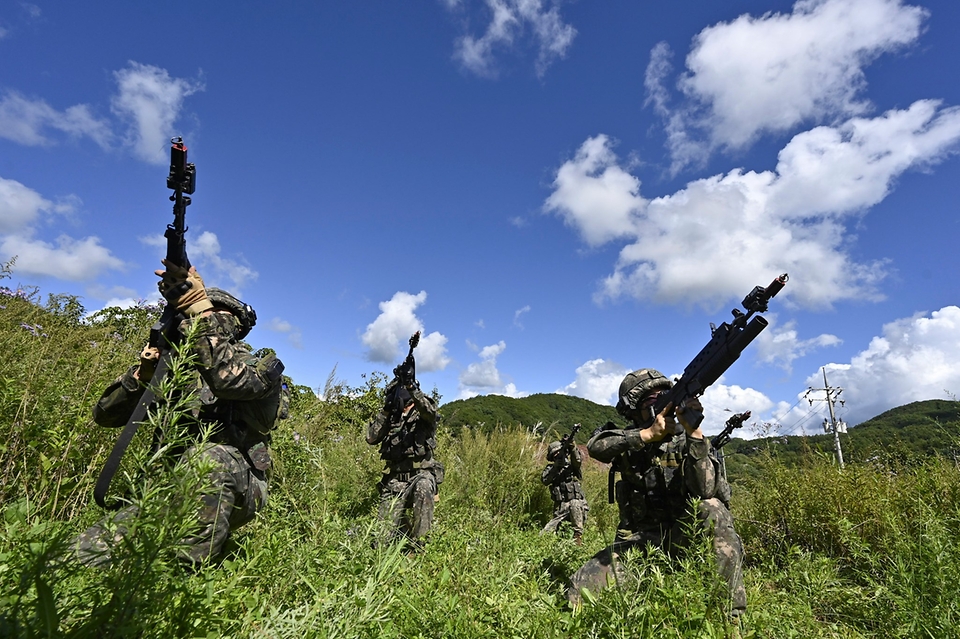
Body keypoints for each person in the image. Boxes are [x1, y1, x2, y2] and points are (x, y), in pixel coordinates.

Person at [75, 260, 285, 567]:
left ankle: (185, 573)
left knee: (209, 460)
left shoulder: (258, 369)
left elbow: (227, 379)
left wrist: (199, 308)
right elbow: (105, 416)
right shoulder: (174, 369)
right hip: (166, 491)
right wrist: (143, 376)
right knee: (80, 556)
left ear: (233, 326)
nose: (194, 320)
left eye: (211, 314)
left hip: (239, 487)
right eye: (189, 314)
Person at [567, 369, 746, 616]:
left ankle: (731, 617)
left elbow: (705, 488)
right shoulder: (630, 438)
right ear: (635, 410)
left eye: (665, 396)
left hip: (687, 540)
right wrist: (648, 435)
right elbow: (597, 447)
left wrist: (694, 434)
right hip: (641, 544)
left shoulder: (688, 440)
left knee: (711, 506)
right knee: (579, 593)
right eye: (652, 400)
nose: (663, 403)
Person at [365, 332, 443, 547]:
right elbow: (371, 438)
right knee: (380, 541)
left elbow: (431, 412)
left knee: (424, 489)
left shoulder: (422, 410)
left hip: (421, 476)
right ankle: (402, 529)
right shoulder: (391, 416)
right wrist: (386, 411)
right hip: (395, 480)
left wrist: (411, 388)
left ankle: (420, 545)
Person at [540, 436, 588, 544]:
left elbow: (577, 461)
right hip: (561, 509)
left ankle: (577, 539)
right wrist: (555, 467)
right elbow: (545, 480)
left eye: (560, 453)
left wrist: (573, 447)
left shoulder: (572, 467)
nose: (559, 456)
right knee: (545, 535)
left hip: (577, 508)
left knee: (575, 504)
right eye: (555, 454)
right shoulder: (550, 469)